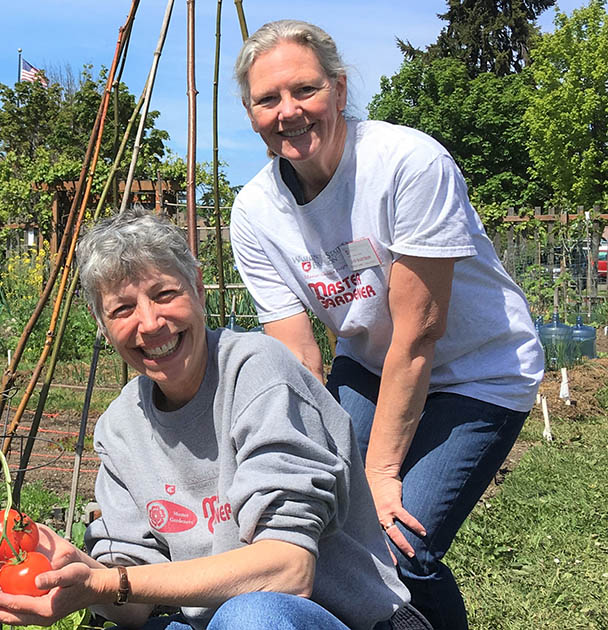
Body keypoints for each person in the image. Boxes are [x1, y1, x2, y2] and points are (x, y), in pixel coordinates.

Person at [227, 20, 544, 630]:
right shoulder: (255, 213)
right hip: (369, 362)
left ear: (339, 90)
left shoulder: (406, 163)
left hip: (479, 369)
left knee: (402, 541)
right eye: (268, 99)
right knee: (328, 526)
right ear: (250, 112)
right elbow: (300, 360)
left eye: (305, 90)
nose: (289, 111)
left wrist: (378, 471)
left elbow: (419, 331)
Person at [0, 209, 425, 630]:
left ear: (198, 286)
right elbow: (134, 607)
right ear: (101, 323)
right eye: (122, 309)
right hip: (210, 622)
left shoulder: (257, 371)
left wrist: (114, 583)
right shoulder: (119, 428)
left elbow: (288, 570)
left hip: (330, 617)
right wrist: (78, 569)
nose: (150, 324)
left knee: (252, 617)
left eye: (164, 294)